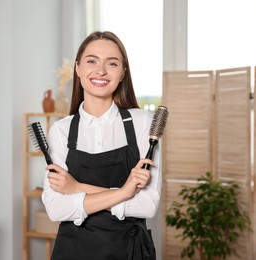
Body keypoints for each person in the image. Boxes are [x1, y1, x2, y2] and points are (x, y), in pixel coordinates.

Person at [42, 31, 160, 260]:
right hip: (74, 252)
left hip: (130, 251)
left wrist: (75, 188)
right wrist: (125, 193)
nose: (101, 70)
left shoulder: (142, 123)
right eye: (92, 61)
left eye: (112, 63)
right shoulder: (61, 130)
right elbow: (56, 208)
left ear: (123, 72)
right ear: (78, 68)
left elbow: (147, 205)